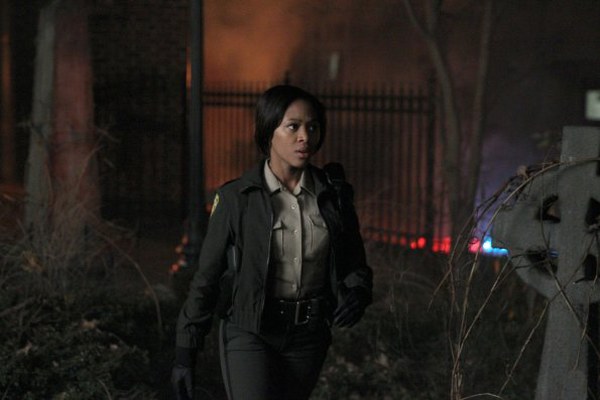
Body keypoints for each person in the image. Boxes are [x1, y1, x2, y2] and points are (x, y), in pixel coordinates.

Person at [171, 84, 373, 400]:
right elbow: (206, 278)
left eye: (312, 127)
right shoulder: (237, 198)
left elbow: (355, 262)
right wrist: (186, 351)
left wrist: (359, 291)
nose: (305, 136)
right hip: (251, 332)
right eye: (293, 126)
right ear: (269, 131)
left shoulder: (333, 195)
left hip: (308, 338)